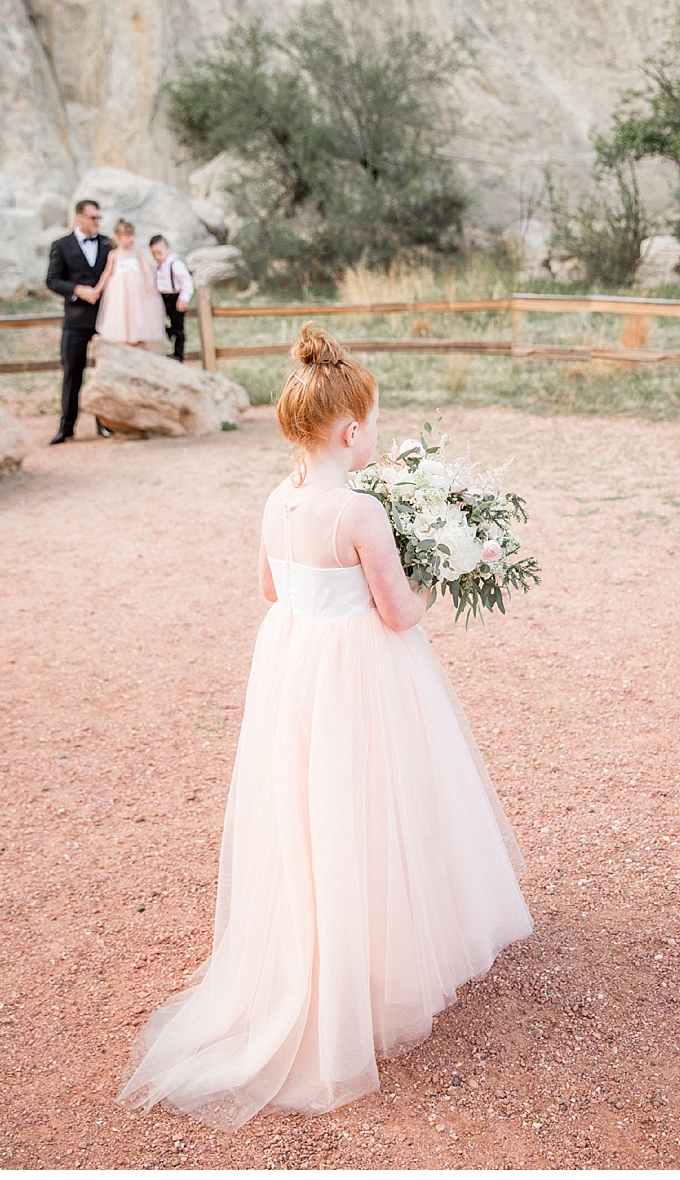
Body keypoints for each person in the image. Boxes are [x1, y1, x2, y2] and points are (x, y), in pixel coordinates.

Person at [118, 324, 533, 1130]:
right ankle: (382, 960)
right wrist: (452, 566)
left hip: (295, 667)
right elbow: (400, 612)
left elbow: (271, 590)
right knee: (378, 802)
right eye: (372, 423)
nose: (375, 434)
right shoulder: (360, 512)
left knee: (311, 810)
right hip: (361, 673)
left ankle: (322, 945)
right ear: (350, 431)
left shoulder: (279, 500)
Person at [45, 198, 114, 444]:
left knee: (104, 373)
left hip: (106, 319)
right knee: (72, 372)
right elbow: (52, 280)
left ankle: (105, 423)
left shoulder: (109, 244)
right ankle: (67, 426)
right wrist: (77, 289)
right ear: (79, 217)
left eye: (99, 217)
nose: (97, 222)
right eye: (93, 217)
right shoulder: (61, 246)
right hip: (75, 320)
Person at [92, 218, 168, 354]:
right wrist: (98, 288)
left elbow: (146, 269)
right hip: (120, 291)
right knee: (121, 311)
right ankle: (125, 337)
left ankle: (137, 336)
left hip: (137, 291)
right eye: (127, 236)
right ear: (118, 238)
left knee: (137, 311)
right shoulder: (114, 255)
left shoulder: (137, 254)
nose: (131, 239)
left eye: (132, 236)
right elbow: (107, 272)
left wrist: (150, 281)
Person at [149, 234, 195, 363]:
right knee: (155, 322)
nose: (157, 257)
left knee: (178, 327)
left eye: (159, 253)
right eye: (154, 254)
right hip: (162, 298)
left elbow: (187, 282)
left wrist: (183, 298)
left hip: (175, 297)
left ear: (168, 249)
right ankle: (169, 333)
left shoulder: (175, 264)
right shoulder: (156, 268)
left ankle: (178, 355)